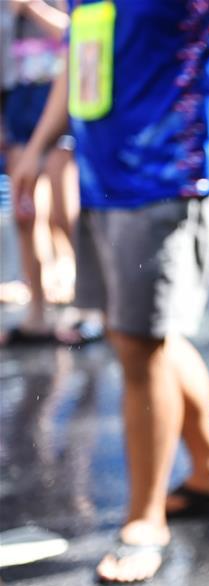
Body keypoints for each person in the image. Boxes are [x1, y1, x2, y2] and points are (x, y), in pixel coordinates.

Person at [10, 0, 209, 583]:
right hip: (104, 183)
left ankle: (144, 521)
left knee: (140, 345)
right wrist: (39, 144)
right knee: (143, 340)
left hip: (169, 181)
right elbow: (79, 57)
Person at [0, 0, 89, 345]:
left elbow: (76, 36)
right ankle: (36, 313)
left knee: (64, 215)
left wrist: (33, 8)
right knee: (26, 215)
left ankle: (86, 308)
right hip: (21, 112)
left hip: (60, 109)